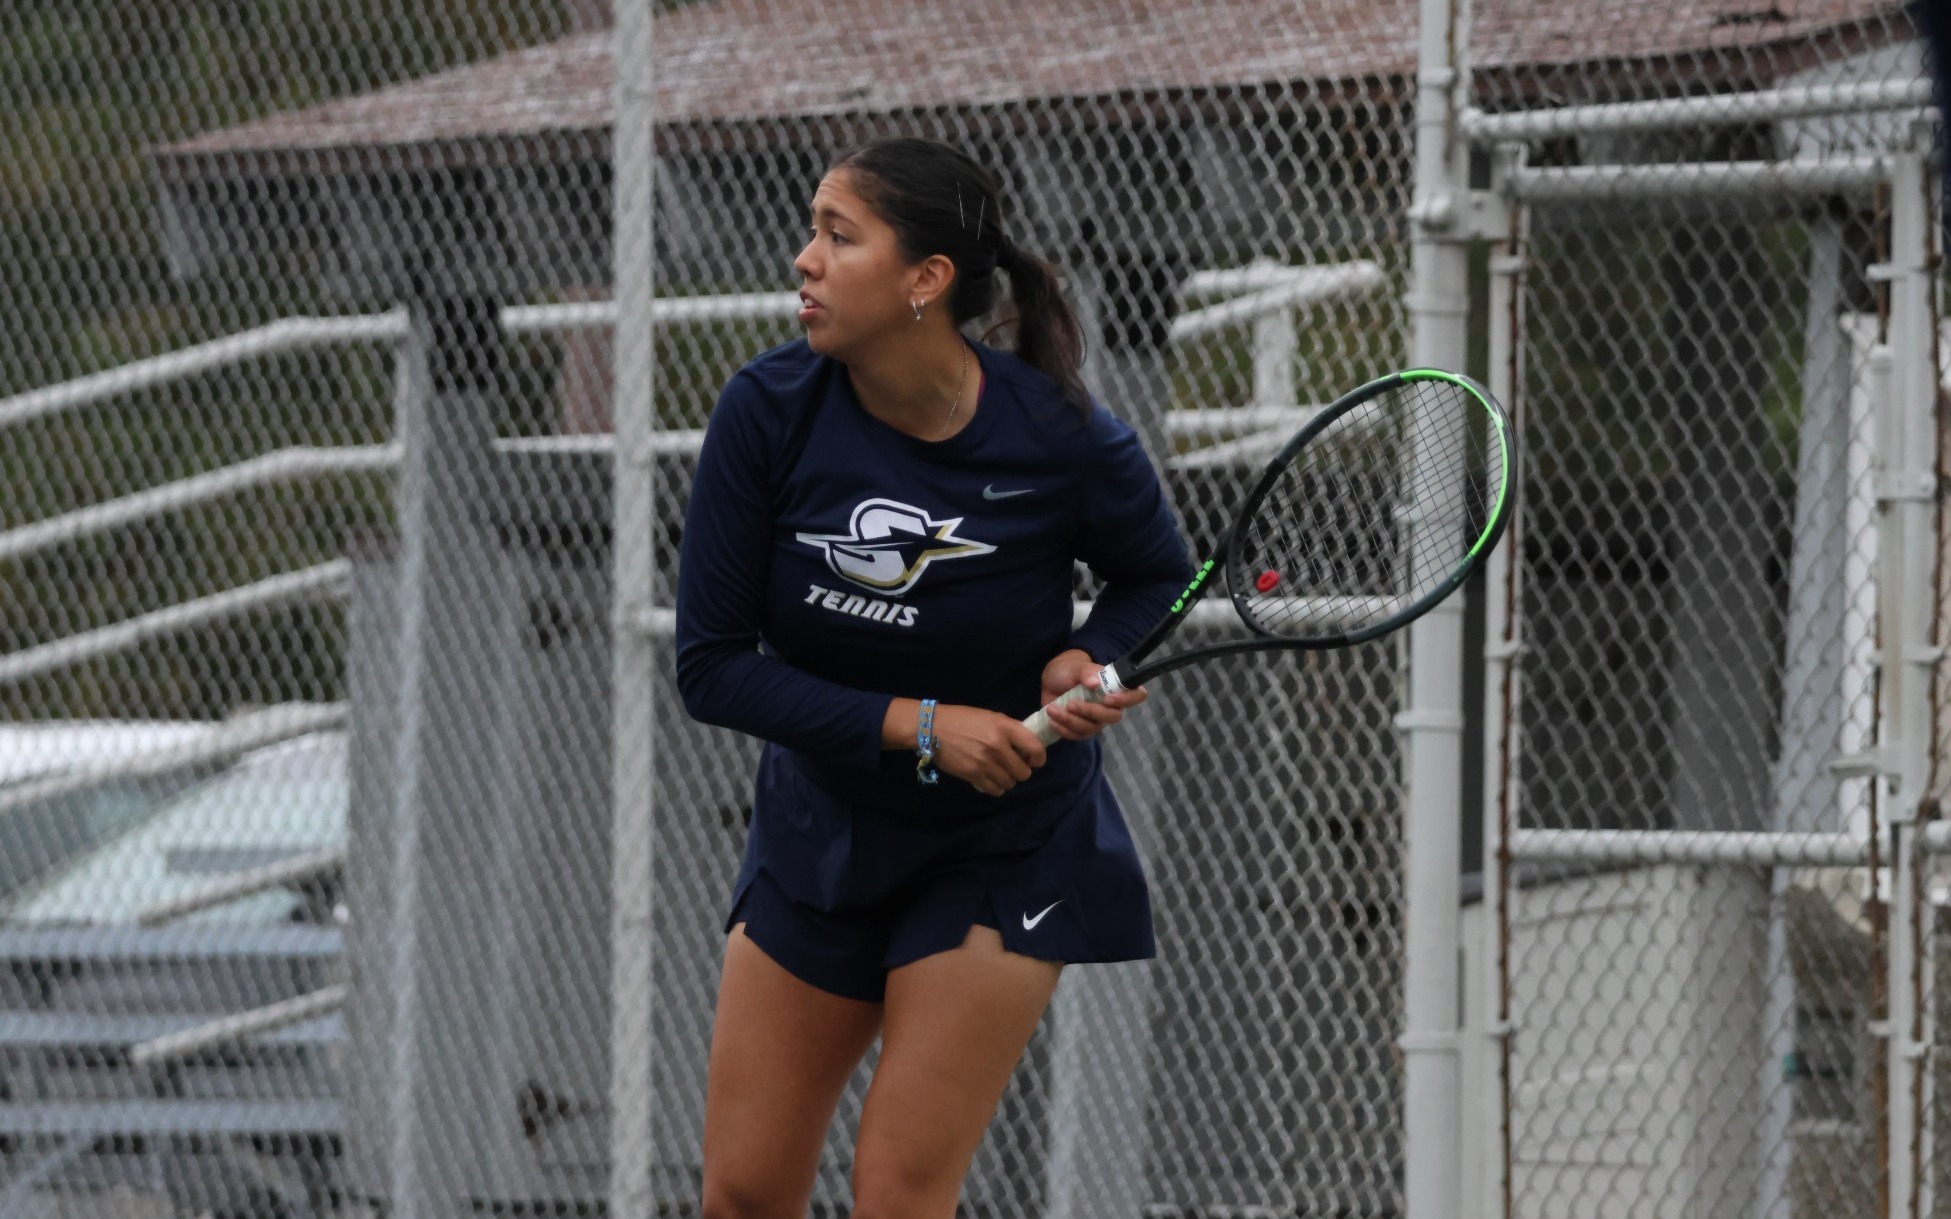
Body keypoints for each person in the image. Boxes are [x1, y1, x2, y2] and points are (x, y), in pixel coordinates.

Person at [673, 136, 1193, 1218]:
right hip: (821, 830)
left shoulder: (1061, 437)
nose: (803, 260)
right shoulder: (765, 411)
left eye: (837, 235)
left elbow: (1159, 580)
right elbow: (712, 668)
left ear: (926, 281)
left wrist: (1086, 655)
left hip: (1000, 845)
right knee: (743, 1192)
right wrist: (918, 726)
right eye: (810, 229)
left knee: (900, 1192)